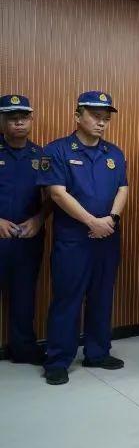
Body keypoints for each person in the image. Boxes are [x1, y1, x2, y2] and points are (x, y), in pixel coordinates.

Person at [38, 91, 128, 385]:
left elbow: (123, 189)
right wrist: (92, 221)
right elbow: (57, 193)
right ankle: (58, 360)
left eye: (106, 118)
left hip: (107, 237)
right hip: (73, 240)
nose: (102, 123)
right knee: (67, 299)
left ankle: (97, 352)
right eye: (95, 116)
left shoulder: (114, 153)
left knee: (102, 297)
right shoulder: (57, 151)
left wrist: (111, 219)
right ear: (77, 116)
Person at [0, 94, 49, 364]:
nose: (19, 123)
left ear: (31, 120)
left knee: (24, 295)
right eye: (12, 118)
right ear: (2, 121)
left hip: (28, 237)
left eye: (24, 118)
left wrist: (39, 220)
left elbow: (52, 196)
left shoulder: (40, 156)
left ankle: (22, 349)